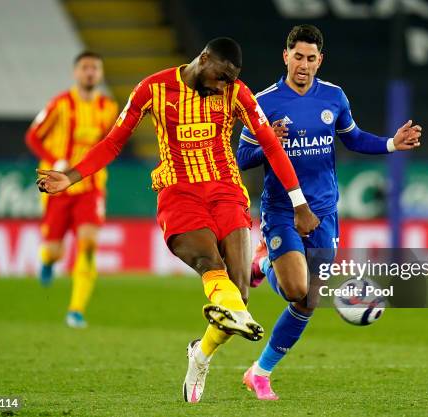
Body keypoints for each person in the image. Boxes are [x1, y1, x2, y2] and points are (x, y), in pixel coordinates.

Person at [35, 37, 320, 403]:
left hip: (226, 191)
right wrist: (72, 176)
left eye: (230, 80)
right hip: (179, 192)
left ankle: (199, 355)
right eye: (220, 77)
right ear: (203, 60)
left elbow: (270, 144)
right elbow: (113, 141)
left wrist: (299, 203)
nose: (223, 86)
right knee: (208, 264)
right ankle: (210, 335)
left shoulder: (236, 93)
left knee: (238, 299)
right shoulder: (152, 89)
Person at [237, 24, 422, 400]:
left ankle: (259, 372)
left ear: (319, 60)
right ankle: (266, 263)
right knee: (295, 289)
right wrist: (268, 141)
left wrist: (390, 143)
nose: (303, 65)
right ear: (285, 56)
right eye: (297, 57)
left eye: (311, 58)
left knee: (309, 301)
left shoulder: (334, 97)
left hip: (324, 212)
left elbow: (352, 138)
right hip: (282, 209)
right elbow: (242, 157)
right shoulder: (263, 101)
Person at [25, 51, 118, 329]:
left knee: (88, 245)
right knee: (54, 251)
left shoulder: (109, 108)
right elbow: (33, 136)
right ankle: (47, 260)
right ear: (76, 73)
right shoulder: (59, 104)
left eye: (94, 68)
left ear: (100, 74)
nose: (90, 72)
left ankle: (76, 309)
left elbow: (109, 144)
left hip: (91, 187)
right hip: (57, 188)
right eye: (85, 67)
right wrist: (55, 161)